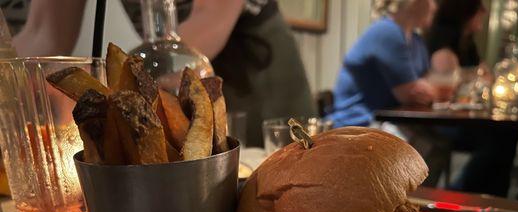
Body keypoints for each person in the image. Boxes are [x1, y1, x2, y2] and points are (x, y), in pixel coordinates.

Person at [12, 0, 316, 147]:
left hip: (251, 74)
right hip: (158, 70)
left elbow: (210, 19)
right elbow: (43, 33)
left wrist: (119, 92)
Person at [425, 0, 518, 197]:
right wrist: (474, 76)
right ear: (465, 12)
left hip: (462, 115)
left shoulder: (467, 42)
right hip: (443, 119)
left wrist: (472, 76)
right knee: (497, 140)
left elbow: (485, 75)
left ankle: (494, 197)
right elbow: (452, 81)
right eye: (480, 7)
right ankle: (460, 194)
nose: (484, 11)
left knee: (508, 132)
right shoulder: (442, 41)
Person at [328, 0, 437, 128]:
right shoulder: (387, 31)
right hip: (358, 122)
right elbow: (410, 94)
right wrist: (427, 88)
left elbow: (431, 84)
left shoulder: (416, 40)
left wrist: (429, 88)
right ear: (414, 3)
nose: (434, 6)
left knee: (440, 142)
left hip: (390, 121)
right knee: (432, 144)